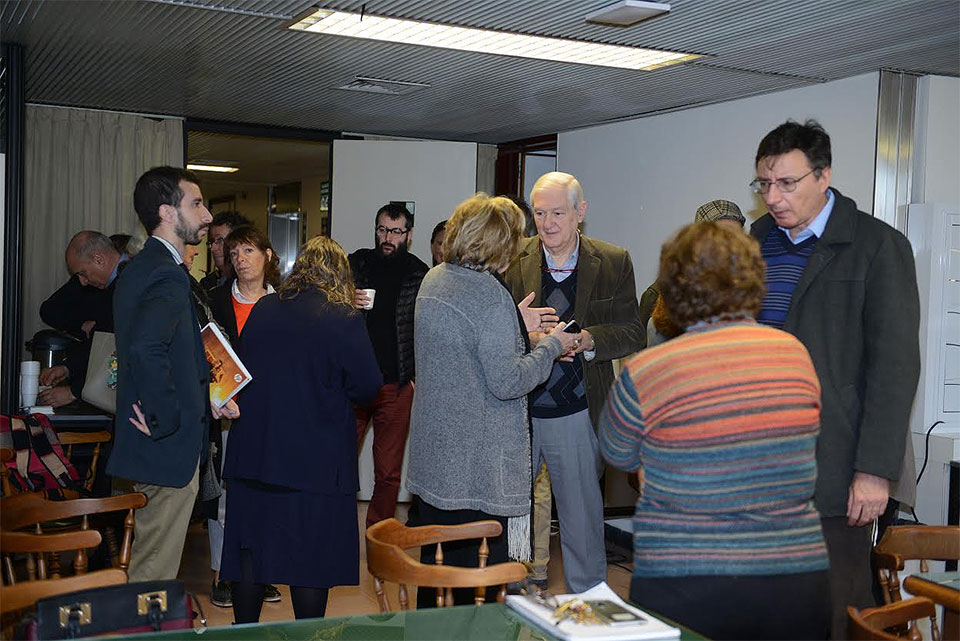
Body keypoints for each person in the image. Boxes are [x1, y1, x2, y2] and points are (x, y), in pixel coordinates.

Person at [599, 222, 829, 640]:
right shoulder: (796, 356)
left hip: (688, 579)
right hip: (795, 578)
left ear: (675, 286)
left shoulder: (649, 371)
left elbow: (617, 453)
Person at [749, 120, 920, 637]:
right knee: (766, 608)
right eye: (764, 184)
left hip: (837, 465)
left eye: (787, 183)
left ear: (824, 176)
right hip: (761, 464)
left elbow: (895, 367)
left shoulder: (877, 246)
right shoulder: (756, 242)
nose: (773, 197)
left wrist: (874, 471)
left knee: (834, 610)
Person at [406, 193, 577, 607]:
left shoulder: (437, 278)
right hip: (476, 472)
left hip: (437, 463)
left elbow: (463, 353)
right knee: (473, 595)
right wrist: (551, 346)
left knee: (437, 579)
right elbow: (508, 380)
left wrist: (516, 327)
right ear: (500, 242)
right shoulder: (489, 295)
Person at [220, 236, 382, 623]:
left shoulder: (263, 309)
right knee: (311, 560)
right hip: (315, 461)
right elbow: (369, 386)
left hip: (255, 454)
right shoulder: (343, 318)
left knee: (250, 552)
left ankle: (243, 631)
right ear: (340, 275)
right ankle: (307, 635)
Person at [503, 171, 645, 593]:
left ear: (580, 213)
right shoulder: (514, 258)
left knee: (582, 520)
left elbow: (632, 330)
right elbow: (492, 330)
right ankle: (510, 600)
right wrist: (523, 334)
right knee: (513, 516)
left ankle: (591, 609)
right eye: (540, 213)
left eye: (558, 213)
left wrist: (588, 340)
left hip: (578, 410)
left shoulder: (613, 261)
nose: (547, 224)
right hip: (519, 410)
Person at [106, 166, 239, 583]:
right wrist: (164, 418)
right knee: (153, 577)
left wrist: (207, 401)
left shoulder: (142, 266)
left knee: (148, 564)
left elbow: (168, 351)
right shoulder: (165, 271)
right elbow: (146, 349)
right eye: (196, 204)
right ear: (167, 211)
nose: (205, 216)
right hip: (165, 449)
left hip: (151, 449)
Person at [206, 224, 282, 608]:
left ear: (268, 256)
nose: (240, 260)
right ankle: (223, 574)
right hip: (226, 411)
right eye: (234, 254)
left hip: (271, 414)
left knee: (266, 492)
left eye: (249, 251)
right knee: (225, 495)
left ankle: (260, 572)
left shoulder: (285, 303)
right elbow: (205, 356)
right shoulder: (215, 301)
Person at [349, 203, 429, 529]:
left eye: (395, 231)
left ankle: (378, 534)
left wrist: (414, 377)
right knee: (339, 459)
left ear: (408, 235)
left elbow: (426, 329)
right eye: (382, 229)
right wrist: (345, 299)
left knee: (388, 470)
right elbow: (329, 306)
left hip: (396, 384)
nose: (387, 237)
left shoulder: (420, 274)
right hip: (354, 381)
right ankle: (335, 527)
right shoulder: (357, 263)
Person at [38, 231, 129, 408]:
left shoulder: (128, 284)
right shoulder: (114, 285)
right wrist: (67, 368)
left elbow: (120, 351)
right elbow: (101, 341)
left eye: (83, 273)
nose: (82, 282)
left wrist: (74, 392)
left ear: (98, 259)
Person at [646, 199, 746, 347]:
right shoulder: (661, 297)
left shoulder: (755, 290)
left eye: (735, 236)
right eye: (717, 237)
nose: (728, 245)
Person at [199, 211, 251, 295]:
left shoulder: (252, 283)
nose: (213, 248)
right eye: (212, 242)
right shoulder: (207, 284)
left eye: (220, 240)